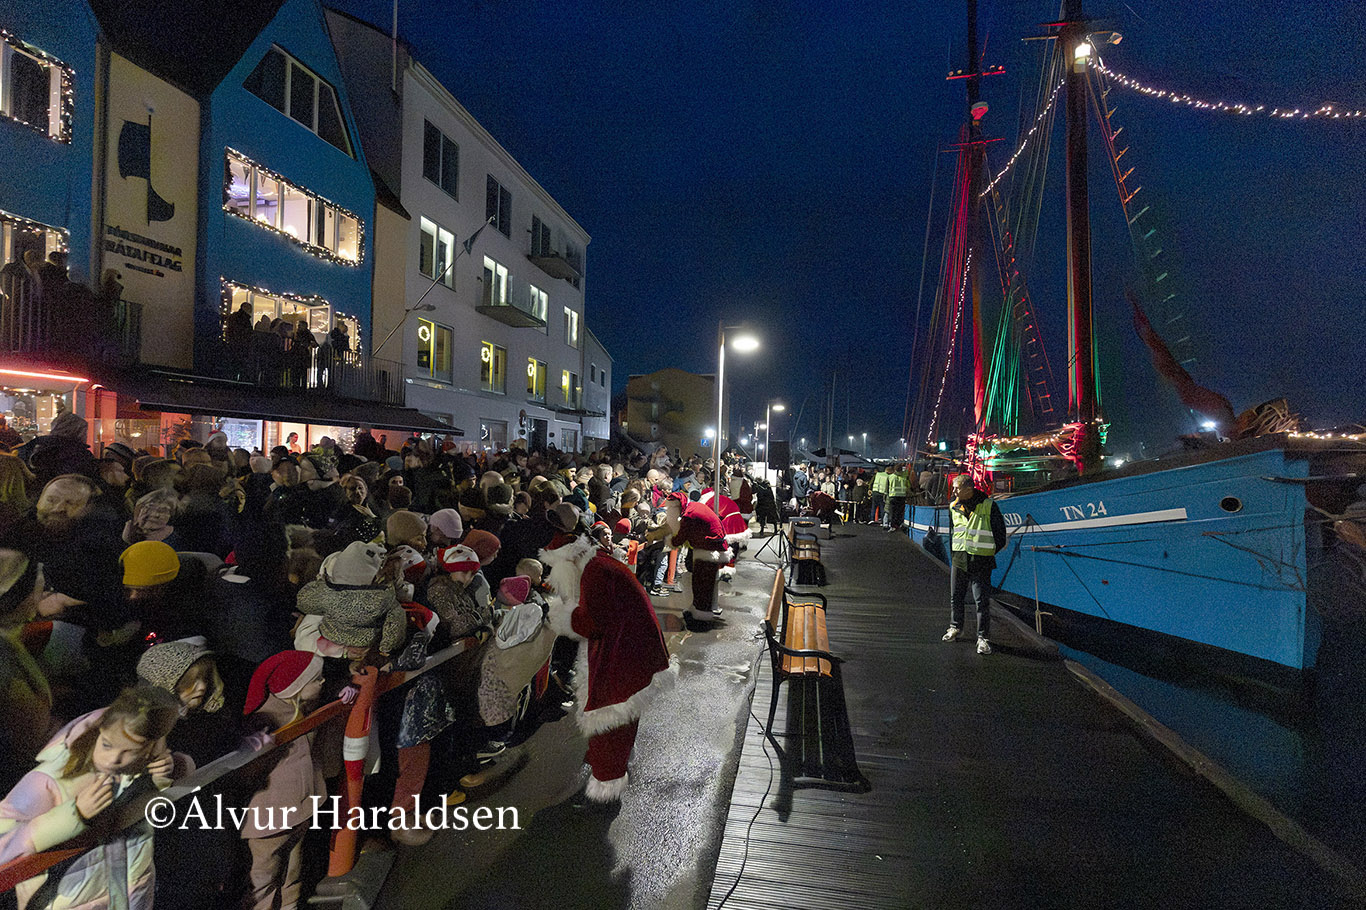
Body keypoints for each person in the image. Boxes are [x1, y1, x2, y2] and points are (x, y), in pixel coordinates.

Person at [0, 686, 181, 910]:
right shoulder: (48, 781)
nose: (114, 759)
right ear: (100, 730)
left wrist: (164, 777)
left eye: (131, 751)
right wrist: (74, 814)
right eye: (107, 744)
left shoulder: (138, 772)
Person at [542, 522, 672, 802]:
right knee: (622, 712)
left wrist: (561, 615)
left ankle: (607, 781)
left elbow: (592, 623)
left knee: (609, 713)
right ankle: (615, 760)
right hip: (634, 646)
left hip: (623, 652)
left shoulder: (594, 573)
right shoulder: (597, 562)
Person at [941, 474, 1007, 655]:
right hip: (959, 558)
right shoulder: (953, 506)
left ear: (968, 489)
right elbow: (953, 532)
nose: (954, 491)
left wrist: (988, 552)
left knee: (982, 601)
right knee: (956, 596)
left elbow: (1000, 534)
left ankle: (983, 638)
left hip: (981, 560)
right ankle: (955, 627)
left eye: (957, 488)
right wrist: (954, 554)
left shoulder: (989, 506)